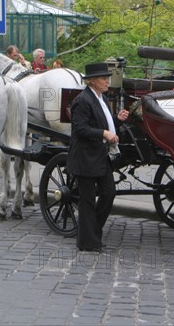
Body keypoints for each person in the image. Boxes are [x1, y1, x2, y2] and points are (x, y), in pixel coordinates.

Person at [66, 63, 129, 252]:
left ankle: (92, 232)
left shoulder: (101, 98)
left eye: (107, 78)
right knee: (87, 201)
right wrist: (104, 133)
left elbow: (103, 122)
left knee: (109, 193)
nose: (107, 81)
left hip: (100, 156)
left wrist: (117, 119)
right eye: (103, 78)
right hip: (85, 157)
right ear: (92, 81)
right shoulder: (82, 100)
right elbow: (80, 129)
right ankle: (87, 241)